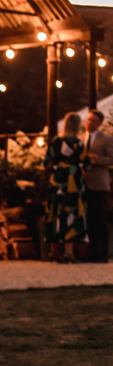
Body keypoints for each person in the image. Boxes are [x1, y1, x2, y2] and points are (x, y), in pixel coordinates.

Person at [45, 112, 91, 263]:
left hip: (56, 181)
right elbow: (86, 164)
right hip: (73, 182)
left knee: (54, 212)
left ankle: (54, 251)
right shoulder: (77, 143)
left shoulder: (55, 142)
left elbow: (46, 161)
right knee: (71, 213)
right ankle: (69, 251)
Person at [83, 109, 113, 263]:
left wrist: (97, 159)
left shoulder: (106, 139)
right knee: (88, 218)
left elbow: (111, 159)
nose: (89, 123)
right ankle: (92, 252)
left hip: (99, 183)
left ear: (100, 123)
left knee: (99, 218)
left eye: (93, 121)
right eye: (88, 120)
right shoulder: (81, 139)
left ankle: (102, 253)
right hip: (83, 182)